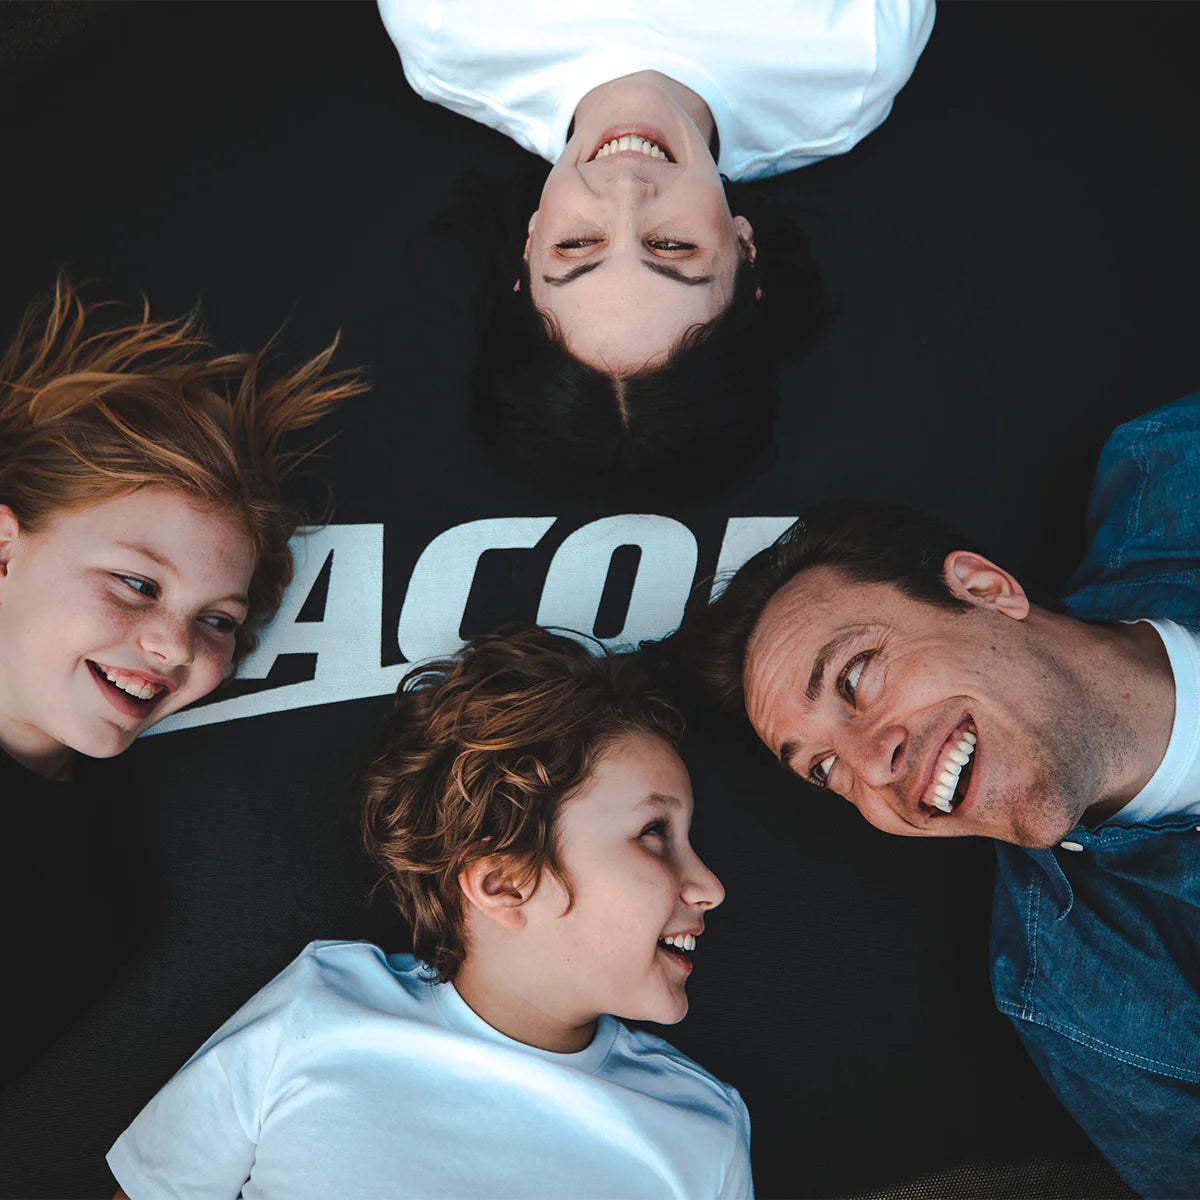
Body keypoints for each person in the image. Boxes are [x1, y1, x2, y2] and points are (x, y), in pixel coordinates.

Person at [666, 392, 1200, 1196]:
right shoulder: (1087, 1001)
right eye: (823, 771)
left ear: (986, 590)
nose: (872, 769)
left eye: (855, 677)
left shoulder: (1176, 466)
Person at [107, 625, 750, 1200]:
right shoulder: (317, 1015)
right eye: (655, 834)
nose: (711, 886)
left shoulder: (701, 1129)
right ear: (504, 883)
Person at [0, 276, 362, 1080]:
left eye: (217, 622)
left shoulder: (113, 885)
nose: (171, 646)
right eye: (136, 583)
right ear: (3, 549)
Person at [378, 0, 933, 491]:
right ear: (745, 249)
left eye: (576, 244)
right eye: (671, 245)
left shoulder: (443, 28)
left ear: (530, 240)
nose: (625, 189)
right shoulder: (852, 63)